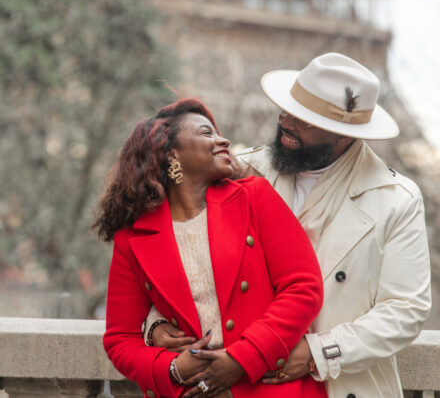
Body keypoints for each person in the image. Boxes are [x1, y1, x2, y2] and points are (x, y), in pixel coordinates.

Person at [150, 54, 432, 398]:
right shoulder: (241, 168)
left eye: (305, 120)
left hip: (343, 385)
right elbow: (185, 257)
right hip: (242, 383)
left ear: (344, 134)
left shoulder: (398, 199)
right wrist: (156, 324)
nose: (286, 121)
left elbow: (405, 310)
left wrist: (318, 353)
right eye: (288, 108)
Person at [95, 98, 326, 398]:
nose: (223, 139)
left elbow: (304, 288)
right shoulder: (134, 237)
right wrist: (172, 368)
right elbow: (120, 338)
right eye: (207, 133)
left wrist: (242, 358)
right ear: (172, 153)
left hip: (271, 387)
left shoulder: (255, 197)